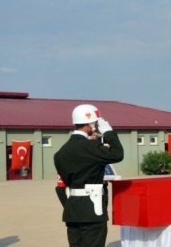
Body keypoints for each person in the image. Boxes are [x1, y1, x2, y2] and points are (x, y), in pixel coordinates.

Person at [54, 104, 124, 247]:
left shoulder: (61, 152)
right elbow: (118, 154)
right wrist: (109, 132)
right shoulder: (91, 148)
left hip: (72, 209)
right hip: (92, 209)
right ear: (90, 123)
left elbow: (63, 184)